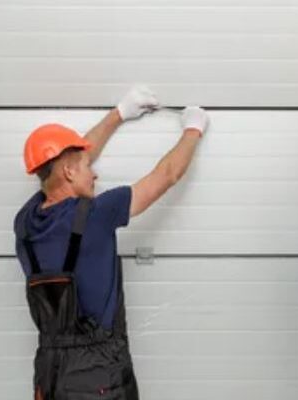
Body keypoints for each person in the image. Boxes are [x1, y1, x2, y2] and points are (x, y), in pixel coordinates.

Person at [13, 86, 209, 400]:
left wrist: (119, 114)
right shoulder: (97, 214)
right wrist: (193, 128)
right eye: (88, 168)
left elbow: (70, 164)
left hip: (49, 371)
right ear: (68, 171)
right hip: (98, 373)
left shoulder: (25, 222)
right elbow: (168, 174)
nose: (95, 175)